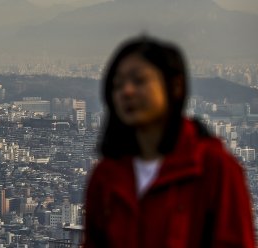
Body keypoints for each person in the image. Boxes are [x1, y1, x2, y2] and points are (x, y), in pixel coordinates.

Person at [84, 36, 256, 247]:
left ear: (174, 86)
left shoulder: (214, 168)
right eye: (117, 84)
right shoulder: (106, 176)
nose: (126, 92)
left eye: (139, 81)